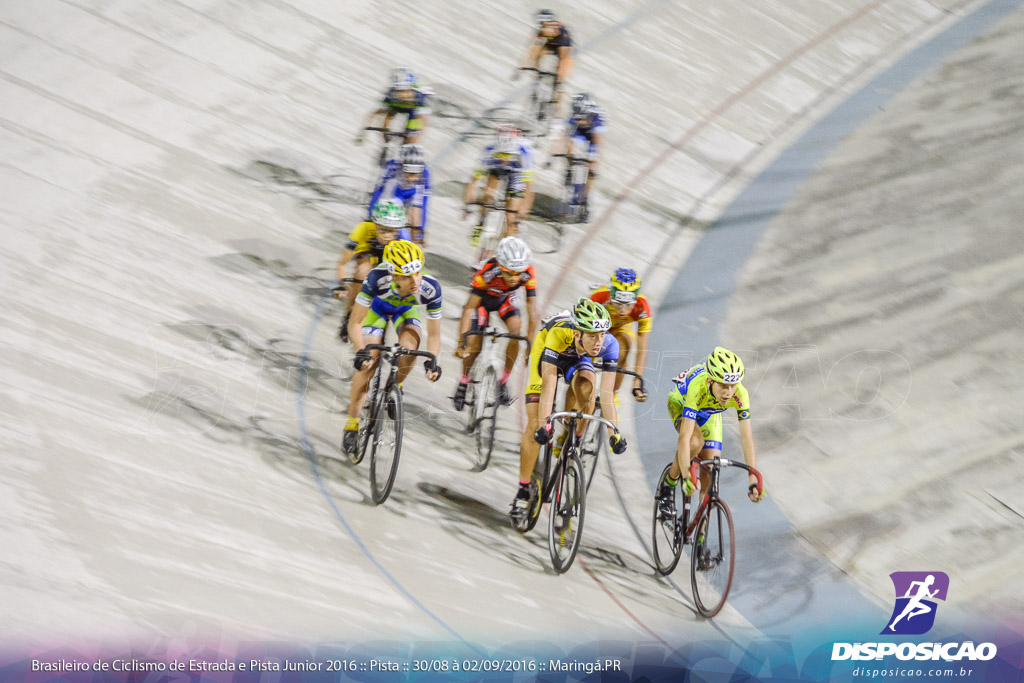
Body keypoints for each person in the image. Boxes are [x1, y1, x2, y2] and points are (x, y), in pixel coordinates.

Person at [510, 298, 627, 529]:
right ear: (577, 333)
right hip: (548, 351)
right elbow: (549, 385)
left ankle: (574, 441)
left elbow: (606, 396)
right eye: (592, 335)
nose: (598, 341)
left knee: (587, 391)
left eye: (601, 334)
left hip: (578, 358)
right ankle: (523, 492)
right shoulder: (558, 335)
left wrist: (615, 432)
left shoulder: (609, 344)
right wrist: (545, 424)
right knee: (535, 425)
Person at [342, 240, 443, 455]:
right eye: (407, 276)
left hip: (405, 312)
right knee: (368, 363)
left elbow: (434, 334)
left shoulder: (430, 288)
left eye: (417, 272)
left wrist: (432, 359)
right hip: (376, 310)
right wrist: (361, 350)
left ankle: (395, 386)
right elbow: (355, 323)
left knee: (409, 349)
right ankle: (352, 422)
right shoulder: (376, 278)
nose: (415, 280)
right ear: (394, 276)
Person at [656, 347, 766, 520]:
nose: (728, 392)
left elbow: (747, 438)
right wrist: (686, 477)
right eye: (723, 385)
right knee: (694, 442)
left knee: (711, 466)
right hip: (681, 403)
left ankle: (701, 530)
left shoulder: (740, 394)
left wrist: (753, 479)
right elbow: (684, 439)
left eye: (732, 385)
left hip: (709, 413)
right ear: (710, 381)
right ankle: (667, 486)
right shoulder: (697, 387)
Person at [453, 237, 538, 409]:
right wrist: (462, 341)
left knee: (516, 332)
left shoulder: (528, 272)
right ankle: (464, 381)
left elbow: (533, 312)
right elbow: (469, 308)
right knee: (474, 342)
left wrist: (531, 347)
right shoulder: (487, 271)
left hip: (505, 299)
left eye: (517, 273)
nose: (514, 278)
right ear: (500, 266)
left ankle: (503, 381)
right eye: (509, 273)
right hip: (483, 301)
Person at [335, 199, 411, 342]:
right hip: (369, 252)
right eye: (383, 229)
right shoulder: (363, 229)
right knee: (363, 272)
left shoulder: (404, 236)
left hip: (390, 257)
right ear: (375, 224)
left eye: (392, 231)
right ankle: (349, 314)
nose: (387, 235)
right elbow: (342, 262)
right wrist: (341, 284)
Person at [463, 124, 535, 247]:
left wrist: (524, 207)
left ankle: (507, 245)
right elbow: (473, 182)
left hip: (516, 172)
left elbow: (528, 186)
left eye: (507, 155)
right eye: (501, 154)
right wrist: (468, 205)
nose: (504, 159)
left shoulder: (524, 152)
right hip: (495, 169)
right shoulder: (488, 151)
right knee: (488, 193)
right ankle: (481, 221)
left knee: (511, 216)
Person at [589, 268, 649, 403]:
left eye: (628, 305)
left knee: (621, 350)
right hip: (598, 327)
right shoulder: (599, 298)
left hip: (621, 328)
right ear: (611, 297)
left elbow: (642, 350)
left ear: (634, 301)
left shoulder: (641, 306)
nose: (622, 310)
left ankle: (612, 395)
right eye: (618, 304)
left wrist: (637, 382)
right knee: (589, 352)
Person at [549, 92, 605, 221]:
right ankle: (571, 172)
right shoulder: (573, 118)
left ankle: (585, 200)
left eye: (582, 118)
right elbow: (562, 138)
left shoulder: (597, 120)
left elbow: (598, 145)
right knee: (570, 147)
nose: (579, 121)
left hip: (591, 137)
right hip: (578, 134)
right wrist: (553, 157)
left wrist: (593, 166)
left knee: (591, 171)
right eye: (577, 118)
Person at [516, 9, 575, 119]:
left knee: (560, 80)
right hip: (552, 45)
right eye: (540, 25)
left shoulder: (561, 32)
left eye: (543, 25)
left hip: (565, 48)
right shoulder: (543, 31)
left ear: (550, 24)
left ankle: (556, 108)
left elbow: (563, 58)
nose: (541, 28)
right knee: (538, 49)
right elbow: (531, 47)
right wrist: (524, 66)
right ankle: (537, 71)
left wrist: (560, 75)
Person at [368, 143, 431, 244]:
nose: (413, 178)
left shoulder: (425, 173)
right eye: (410, 174)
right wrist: (371, 217)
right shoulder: (392, 167)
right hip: (394, 190)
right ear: (401, 167)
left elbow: (423, 202)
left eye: (416, 174)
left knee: (415, 220)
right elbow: (378, 193)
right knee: (389, 216)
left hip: (413, 192)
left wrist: (420, 231)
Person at [355, 67, 431, 146]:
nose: (400, 94)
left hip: (412, 110)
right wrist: (363, 134)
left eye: (404, 91)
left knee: (411, 137)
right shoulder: (390, 95)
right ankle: (386, 147)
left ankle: (406, 150)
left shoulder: (419, 97)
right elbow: (375, 114)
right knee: (386, 125)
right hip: (396, 107)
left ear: (411, 89)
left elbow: (423, 122)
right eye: (397, 91)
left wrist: (414, 139)